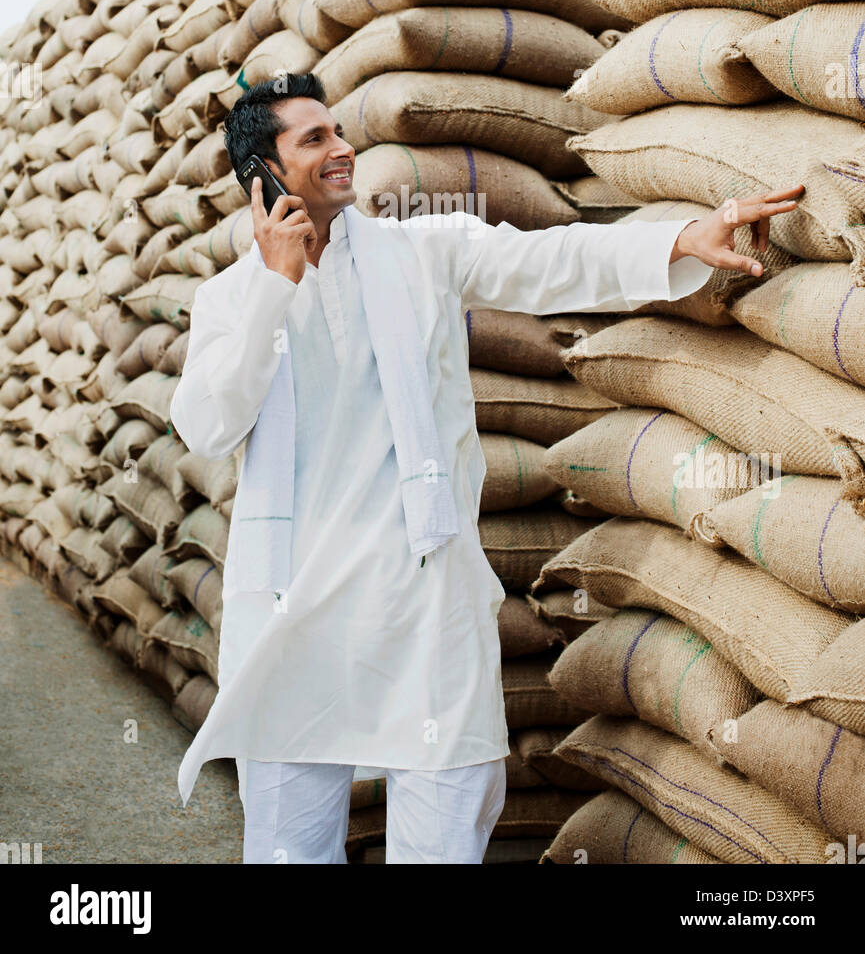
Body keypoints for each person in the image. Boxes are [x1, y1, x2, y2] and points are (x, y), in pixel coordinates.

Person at [168, 72, 804, 865]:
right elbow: (207, 423)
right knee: (289, 849)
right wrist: (273, 285)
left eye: (338, 132)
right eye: (315, 140)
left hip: (421, 600)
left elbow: (547, 258)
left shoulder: (419, 250)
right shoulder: (231, 301)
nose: (343, 149)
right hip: (298, 611)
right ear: (262, 174)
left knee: (444, 828)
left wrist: (677, 239)